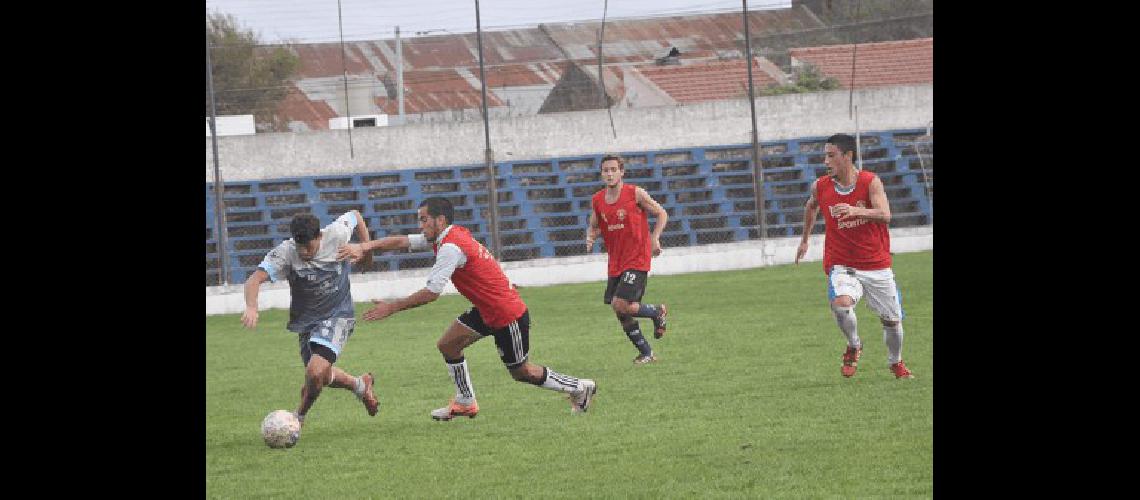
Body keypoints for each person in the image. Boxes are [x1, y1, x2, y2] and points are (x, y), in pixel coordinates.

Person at [336, 197, 597, 420]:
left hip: (507, 315)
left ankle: (580, 387)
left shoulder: (450, 247)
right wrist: (366, 246)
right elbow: (402, 241)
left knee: (522, 372)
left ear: (439, 220)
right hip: (487, 310)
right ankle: (465, 401)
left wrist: (392, 308)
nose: (420, 225)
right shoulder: (448, 235)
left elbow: (431, 293)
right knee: (448, 345)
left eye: (424, 219)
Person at [241, 211, 381, 435]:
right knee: (321, 377)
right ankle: (360, 385)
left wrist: (366, 251)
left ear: (319, 236)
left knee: (315, 373)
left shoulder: (336, 234)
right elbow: (254, 279)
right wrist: (251, 306)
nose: (304, 252)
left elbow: (356, 215)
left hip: (338, 316)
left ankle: (298, 417)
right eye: (300, 247)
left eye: (310, 247)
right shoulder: (286, 252)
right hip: (307, 323)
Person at [794, 133, 915, 379]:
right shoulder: (821, 186)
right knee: (841, 305)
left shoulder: (870, 182)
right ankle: (854, 344)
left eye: (831, 155)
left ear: (847, 156)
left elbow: (885, 214)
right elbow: (811, 206)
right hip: (842, 263)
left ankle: (896, 363)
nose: (826, 161)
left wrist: (855, 210)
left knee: (892, 322)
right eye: (825, 156)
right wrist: (805, 239)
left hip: (876, 263)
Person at [585, 154, 670, 364]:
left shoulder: (635, 194)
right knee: (621, 311)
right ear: (601, 173)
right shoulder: (597, 200)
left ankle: (657, 312)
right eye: (606, 170)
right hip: (616, 261)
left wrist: (654, 238)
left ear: (622, 172)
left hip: (637, 258)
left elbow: (661, 213)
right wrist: (590, 236)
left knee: (620, 303)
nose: (610, 173)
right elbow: (595, 225)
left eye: (614, 169)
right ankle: (646, 353)